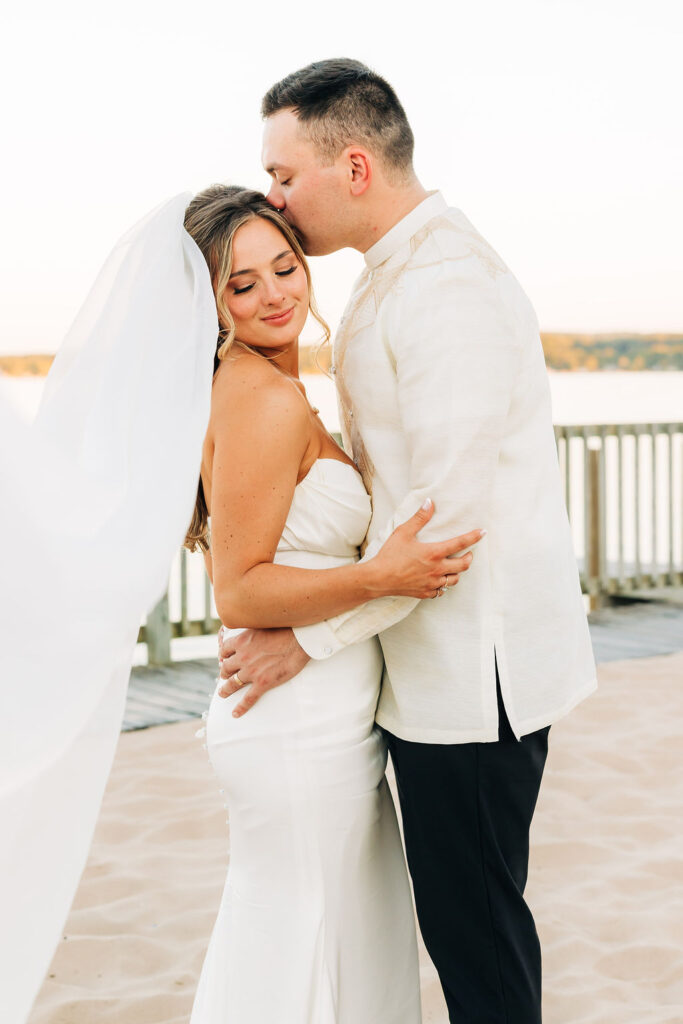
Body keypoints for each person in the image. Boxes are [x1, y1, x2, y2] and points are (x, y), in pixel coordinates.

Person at [218, 59, 597, 1023]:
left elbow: (441, 533)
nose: (274, 195)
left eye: (284, 173)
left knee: (474, 936)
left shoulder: (446, 292)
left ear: (352, 167)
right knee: (455, 923)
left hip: (475, 678)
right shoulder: (395, 279)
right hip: (418, 666)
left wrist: (302, 636)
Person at [182, 184, 482, 1024]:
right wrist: (379, 576)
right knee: (297, 946)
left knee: (337, 942)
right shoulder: (261, 400)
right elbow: (239, 589)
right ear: (208, 306)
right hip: (293, 725)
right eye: (242, 285)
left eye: (284, 266)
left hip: (325, 714)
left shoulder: (269, 387)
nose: (276, 293)